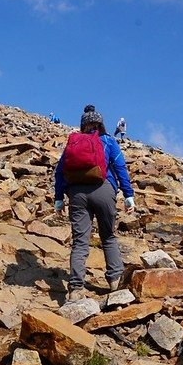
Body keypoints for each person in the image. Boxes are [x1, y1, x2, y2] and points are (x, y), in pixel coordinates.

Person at [54, 105, 135, 302]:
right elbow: (120, 167)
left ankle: (75, 289)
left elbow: (60, 171)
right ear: (100, 124)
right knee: (108, 237)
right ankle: (115, 282)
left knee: (80, 242)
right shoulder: (108, 140)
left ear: (83, 125)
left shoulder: (73, 143)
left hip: (77, 194)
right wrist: (128, 194)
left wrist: (58, 198)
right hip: (104, 190)